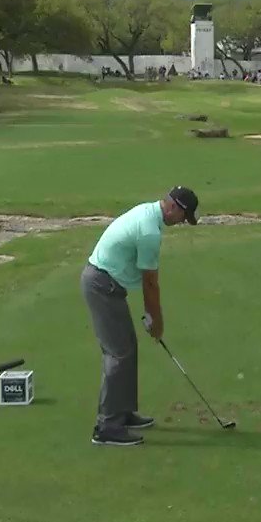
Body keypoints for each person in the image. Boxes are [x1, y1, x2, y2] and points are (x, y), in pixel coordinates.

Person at [80, 186, 200, 446]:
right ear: (174, 207)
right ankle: (107, 427)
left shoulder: (150, 214)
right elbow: (150, 284)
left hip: (107, 284)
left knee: (127, 349)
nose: (181, 223)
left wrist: (152, 318)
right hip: (101, 285)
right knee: (118, 353)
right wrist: (156, 322)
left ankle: (122, 413)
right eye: (184, 216)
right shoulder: (149, 231)